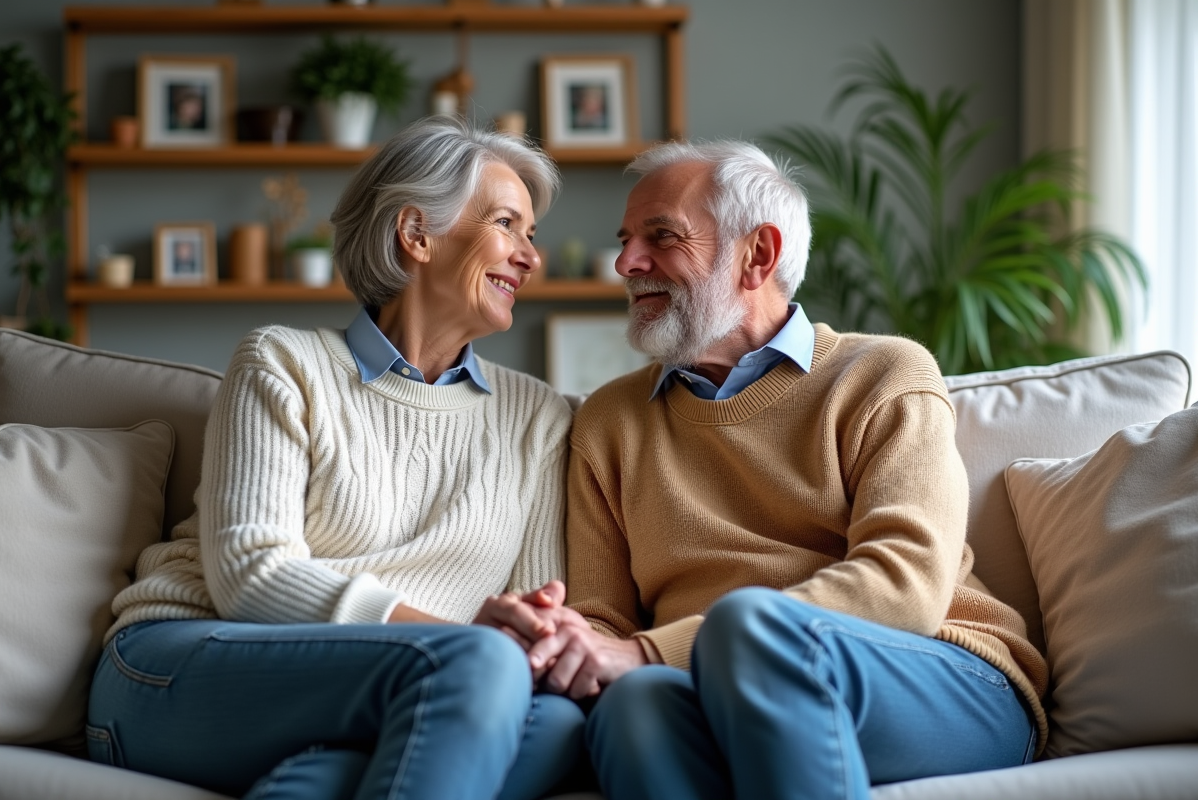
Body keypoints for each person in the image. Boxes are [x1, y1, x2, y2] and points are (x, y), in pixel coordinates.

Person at [521, 140, 1050, 800]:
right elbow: (607, 622)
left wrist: (660, 651)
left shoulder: (883, 374)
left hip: (942, 677)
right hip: (708, 686)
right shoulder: (610, 421)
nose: (627, 263)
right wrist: (568, 638)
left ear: (758, 256)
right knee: (630, 711)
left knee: (748, 629)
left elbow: (905, 581)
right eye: (627, 240)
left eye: (661, 237)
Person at [87, 117, 583, 800]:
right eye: (507, 224)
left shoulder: (540, 416)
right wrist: (458, 643)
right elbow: (250, 575)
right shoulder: (284, 362)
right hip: (184, 663)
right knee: (486, 673)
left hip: (410, 687)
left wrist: (510, 638)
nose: (530, 256)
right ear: (417, 235)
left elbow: (527, 617)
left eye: (531, 234)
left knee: (557, 719)